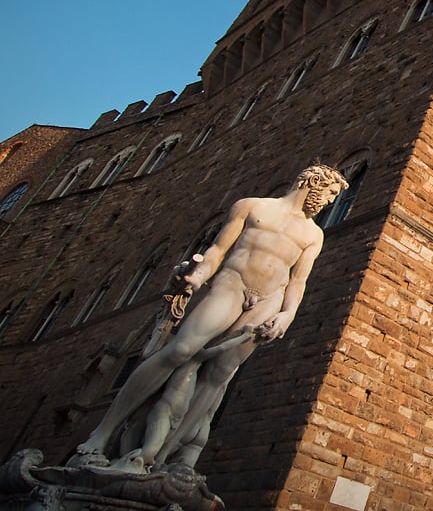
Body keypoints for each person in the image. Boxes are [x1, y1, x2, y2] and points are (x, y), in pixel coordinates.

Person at [73, 165, 347, 470]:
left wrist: (287, 314)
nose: (330, 201)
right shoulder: (252, 207)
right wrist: (198, 275)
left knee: (220, 374)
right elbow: (218, 249)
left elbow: (298, 281)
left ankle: (163, 456)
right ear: (312, 182)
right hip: (232, 283)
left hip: (269, 299)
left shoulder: (313, 235)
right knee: (180, 350)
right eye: (331, 193)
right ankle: (103, 432)